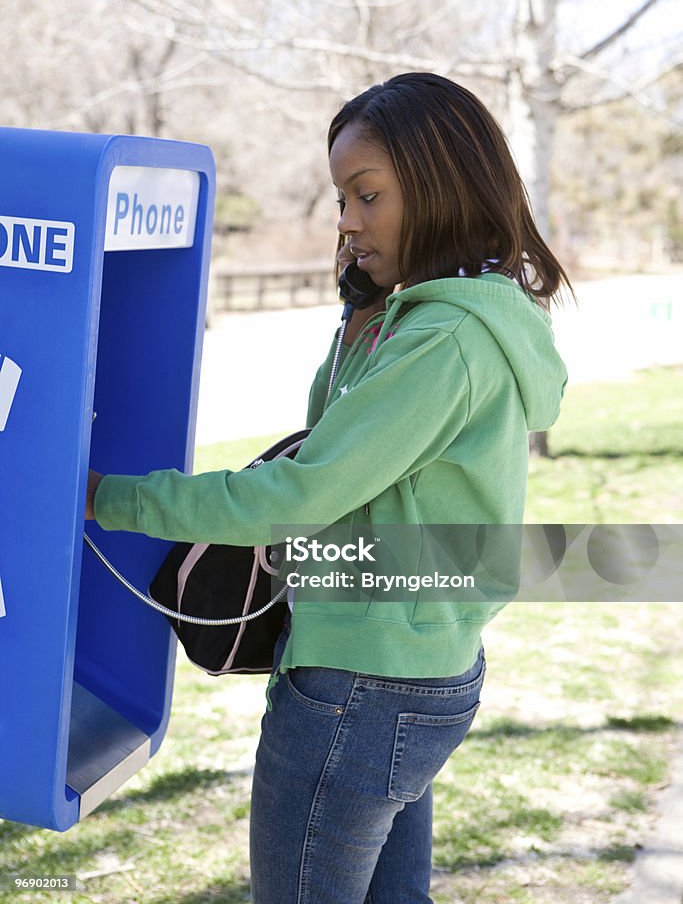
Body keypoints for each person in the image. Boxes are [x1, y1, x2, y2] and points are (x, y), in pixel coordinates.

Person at [86, 72, 570, 903]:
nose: (346, 221)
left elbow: (297, 494)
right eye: (342, 198)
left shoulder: (443, 340)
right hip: (416, 671)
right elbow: (334, 444)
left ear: (440, 184)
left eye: (366, 195)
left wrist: (101, 496)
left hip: (358, 685)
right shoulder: (443, 319)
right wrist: (359, 312)